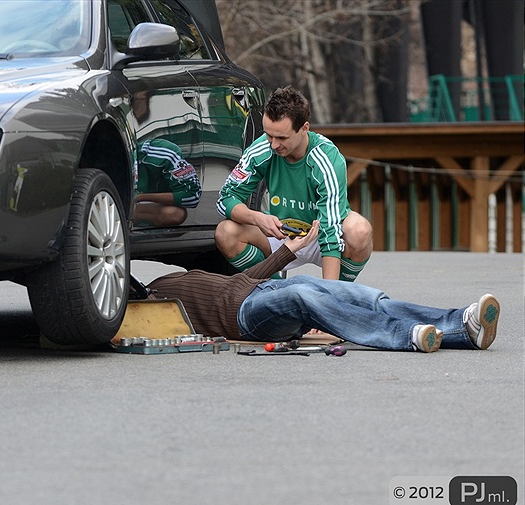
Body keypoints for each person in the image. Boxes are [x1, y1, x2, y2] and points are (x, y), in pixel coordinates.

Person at [145, 221, 500, 352]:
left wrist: (287, 252)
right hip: (245, 318)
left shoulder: (180, 276)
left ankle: (461, 325)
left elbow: (245, 279)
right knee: (301, 295)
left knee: (363, 296)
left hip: (258, 292)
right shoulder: (151, 303)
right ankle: (403, 335)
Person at [215, 85, 373, 282]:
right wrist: (257, 218)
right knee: (226, 231)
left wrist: (328, 294)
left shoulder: (327, 158)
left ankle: (339, 293)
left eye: (282, 137)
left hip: (319, 237)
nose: (273, 144)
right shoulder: (262, 149)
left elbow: (330, 231)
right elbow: (225, 199)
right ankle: (275, 290)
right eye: (268, 134)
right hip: (279, 236)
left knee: (359, 230)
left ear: (304, 128)